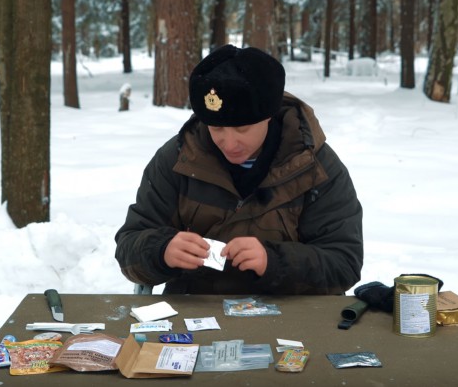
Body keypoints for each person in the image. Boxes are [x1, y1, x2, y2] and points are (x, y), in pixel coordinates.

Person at [115, 44, 363, 295]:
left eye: (242, 129)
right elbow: (129, 247)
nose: (230, 144)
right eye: (216, 129)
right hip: (193, 313)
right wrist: (161, 251)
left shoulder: (314, 166)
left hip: (291, 316)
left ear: (269, 115)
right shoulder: (178, 159)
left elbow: (344, 263)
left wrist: (275, 262)